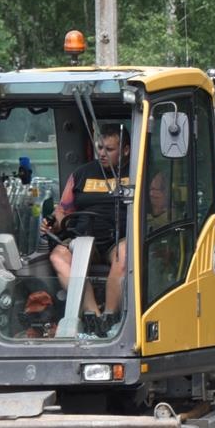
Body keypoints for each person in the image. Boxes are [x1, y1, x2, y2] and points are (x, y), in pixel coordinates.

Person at [48, 127, 130, 330]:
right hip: (85, 239)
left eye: (109, 149)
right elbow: (62, 211)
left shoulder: (137, 173)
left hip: (118, 238)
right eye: (99, 147)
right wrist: (52, 222)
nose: (101, 153)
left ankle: (111, 317)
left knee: (125, 254)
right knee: (58, 256)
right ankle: (95, 317)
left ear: (126, 150)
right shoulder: (81, 174)